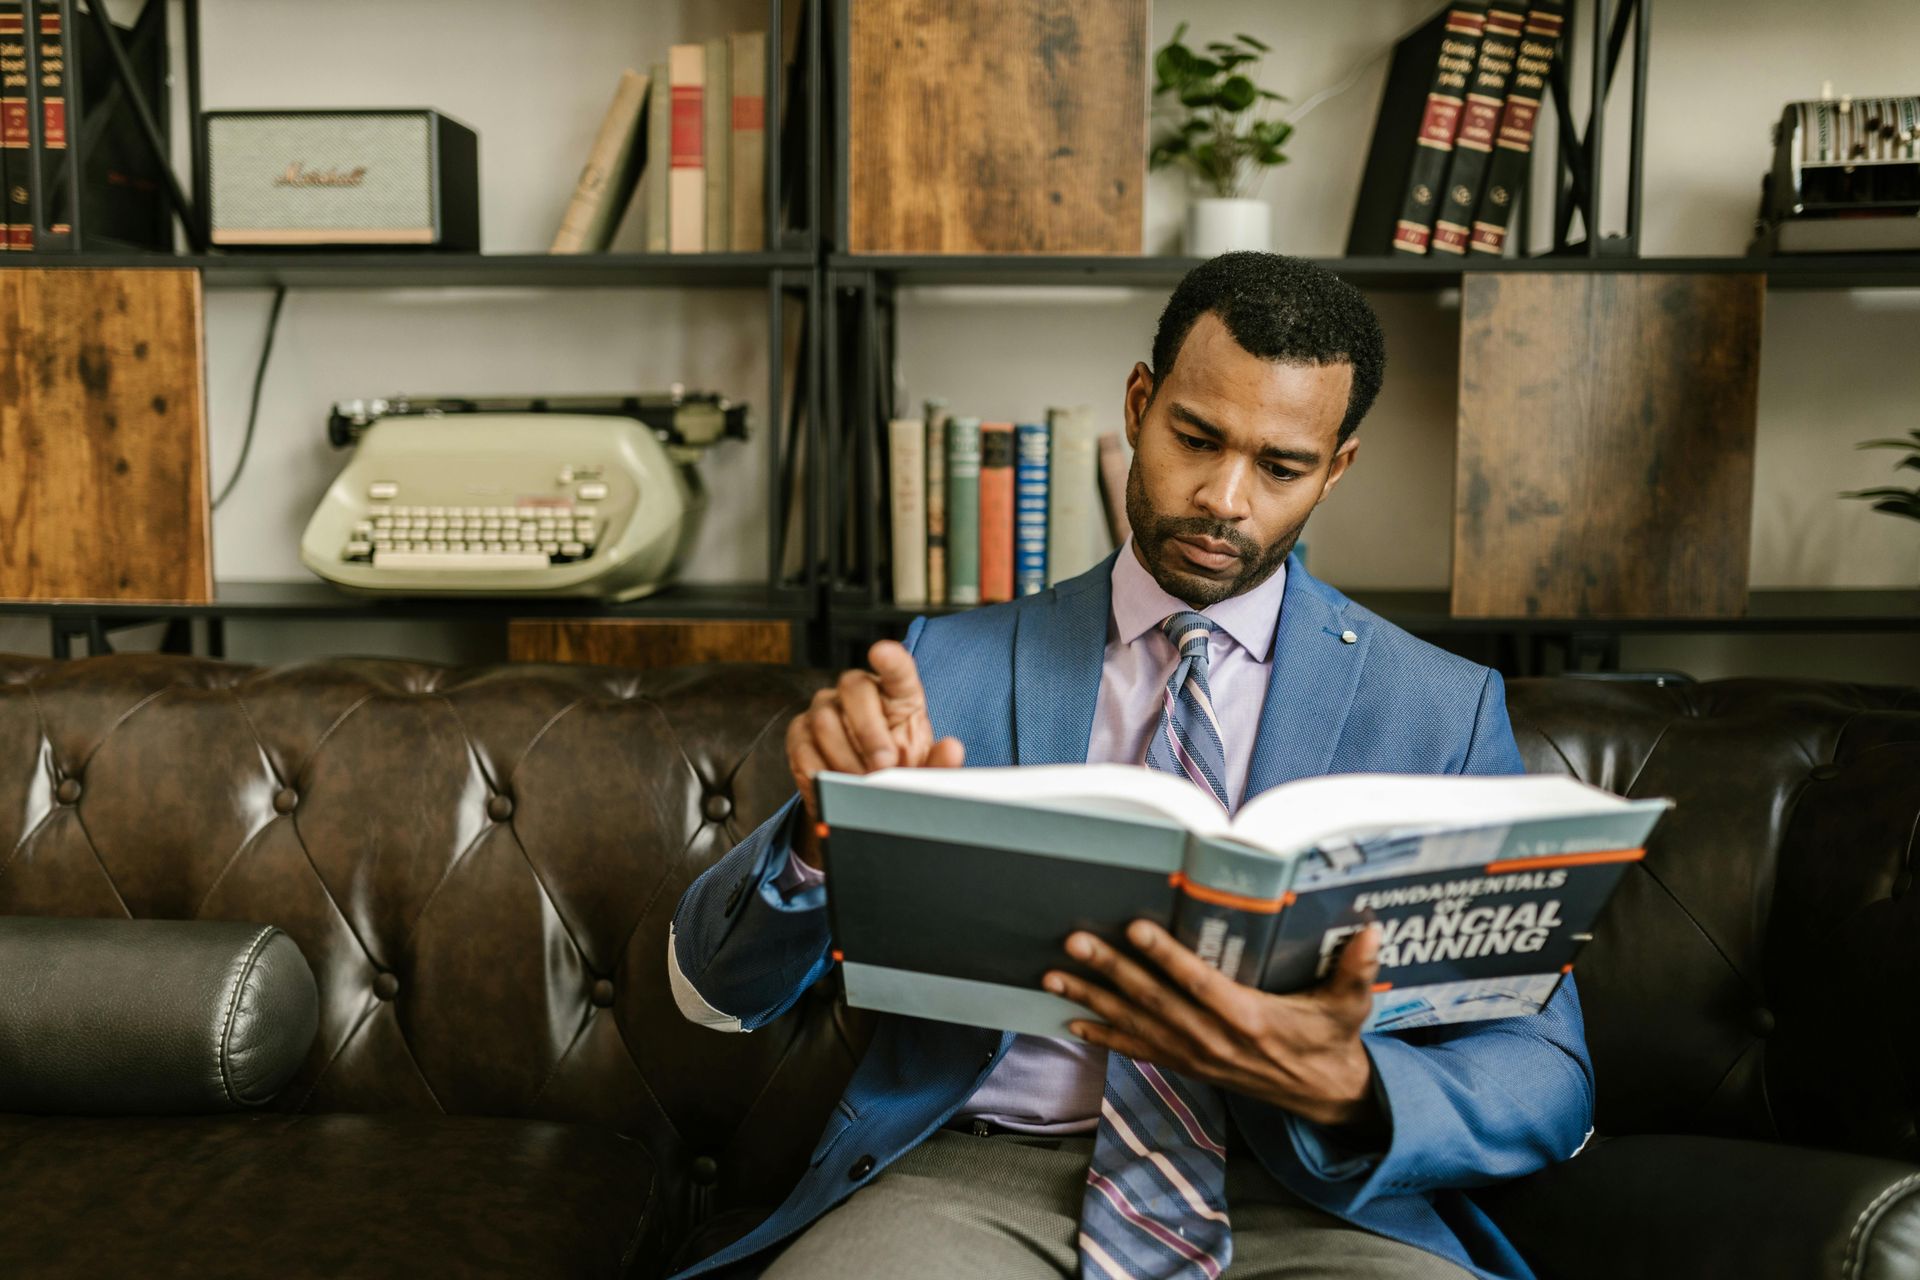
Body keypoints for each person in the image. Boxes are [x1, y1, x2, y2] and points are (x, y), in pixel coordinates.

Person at [668, 253, 1593, 1280]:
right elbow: (710, 993)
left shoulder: (1441, 710)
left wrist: (1351, 1084)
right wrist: (813, 836)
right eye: (1195, 437)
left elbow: (1547, 1071)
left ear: (1336, 468)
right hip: (969, 1185)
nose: (1223, 498)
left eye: (1280, 466)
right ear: (1140, 405)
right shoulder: (947, 663)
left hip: (1317, 1197)